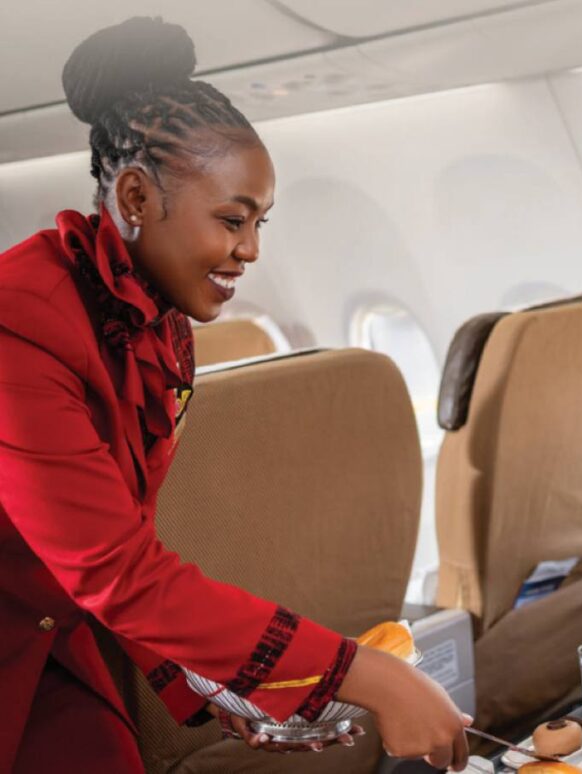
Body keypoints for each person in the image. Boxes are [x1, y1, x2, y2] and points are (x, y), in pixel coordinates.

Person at [0, 18, 468, 773]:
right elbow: (119, 574)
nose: (252, 250)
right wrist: (373, 678)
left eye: (260, 222)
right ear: (134, 196)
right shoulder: (17, 323)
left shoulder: (164, 331)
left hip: (52, 638)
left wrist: (228, 689)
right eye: (231, 220)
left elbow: (126, 550)